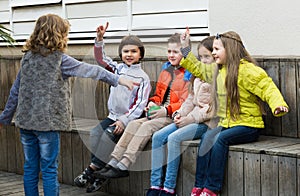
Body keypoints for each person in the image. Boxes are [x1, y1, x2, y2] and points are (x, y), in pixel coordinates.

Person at [0, 14, 138, 196]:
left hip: (26, 123)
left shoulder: (27, 58)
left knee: (30, 168)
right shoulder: (60, 60)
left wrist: (5, 117)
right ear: (59, 34)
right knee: (49, 169)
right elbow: (91, 70)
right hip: (47, 126)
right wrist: (118, 79)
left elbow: (15, 91)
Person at [180, 28, 289, 196]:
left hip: (248, 125)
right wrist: (185, 49)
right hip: (227, 123)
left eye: (217, 49)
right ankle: (198, 187)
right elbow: (197, 68)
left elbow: (267, 88)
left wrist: (278, 105)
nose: (213, 53)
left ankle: (211, 189)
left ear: (229, 49)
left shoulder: (248, 71)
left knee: (220, 139)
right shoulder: (218, 70)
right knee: (207, 137)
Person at [93, 33, 190, 180]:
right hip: (159, 112)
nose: (171, 55)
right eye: (169, 51)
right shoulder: (166, 71)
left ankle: (124, 164)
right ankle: (113, 161)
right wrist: (153, 102)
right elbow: (159, 95)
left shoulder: (188, 74)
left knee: (145, 127)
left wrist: (165, 110)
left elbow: (186, 101)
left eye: (176, 52)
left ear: (183, 53)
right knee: (133, 124)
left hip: (174, 115)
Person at [73, 22, 151, 193]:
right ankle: (100, 176)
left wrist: (124, 121)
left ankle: (91, 172)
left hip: (128, 121)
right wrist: (99, 39)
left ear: (140, 54)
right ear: (121, 54)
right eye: (126, 51)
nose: (129, 54)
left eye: (133, 51)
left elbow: (140, 104)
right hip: (112, 116)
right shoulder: (117, 69)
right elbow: (101, 59)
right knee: (95, 134)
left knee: (108, 136)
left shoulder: (143, 78)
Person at [146, 36, 215, 196]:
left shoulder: (216, 78)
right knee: (157, 137)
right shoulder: (197, 76)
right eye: (201, 57)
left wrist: (188, 119)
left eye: (207, 57)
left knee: (174, 138)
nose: (203, 61)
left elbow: (210, 110)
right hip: (189, 118)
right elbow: (190, 100)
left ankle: (169, 188)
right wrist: (179, 113)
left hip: (205, 123)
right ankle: (155, 186)